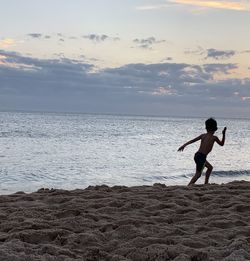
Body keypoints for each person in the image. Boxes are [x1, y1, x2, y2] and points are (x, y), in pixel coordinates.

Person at [178, 118, 226, 185]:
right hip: (202, 157)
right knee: (198, 174)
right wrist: (224, 134)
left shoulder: (203, 135)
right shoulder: (214, 138)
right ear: (215, 129)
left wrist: (184, 145)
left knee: (210, 168)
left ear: (206, 128)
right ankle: (189, 186)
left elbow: (192, 140)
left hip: (197, 155)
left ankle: (206, 183)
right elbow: (222, 144)